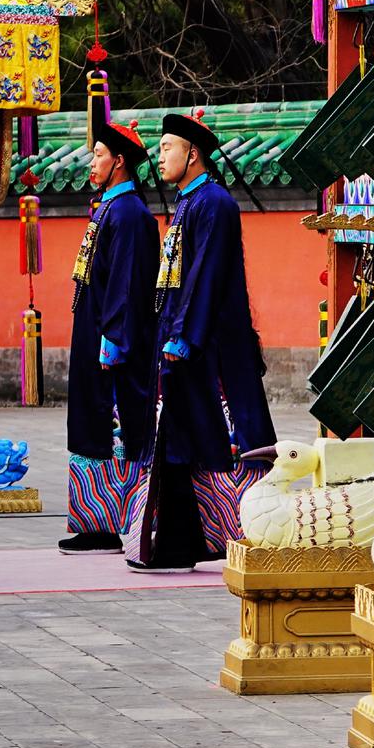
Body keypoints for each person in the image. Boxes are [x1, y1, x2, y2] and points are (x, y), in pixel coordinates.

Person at [125, 111, 275, 572]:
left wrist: (185, 336)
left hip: (211, 351)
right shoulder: (190, 203)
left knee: (216, 439)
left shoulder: (215, 204)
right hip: (181, 344)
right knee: (176, 441)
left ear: (193, 154)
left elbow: (205, 276)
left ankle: (254, 532)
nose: (159, 154)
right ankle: (178, 542)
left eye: (167, 146)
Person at [61, 120, 160, 554]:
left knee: (119, 428)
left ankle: (127, 518)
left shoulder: (130, 214)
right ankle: (95, 521)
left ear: (119, 161)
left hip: (115, 343)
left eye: (99, 154)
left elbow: (128, 282)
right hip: (93, 335)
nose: (93, 162)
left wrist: (115, 337)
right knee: (90, 424)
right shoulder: (109, 208)